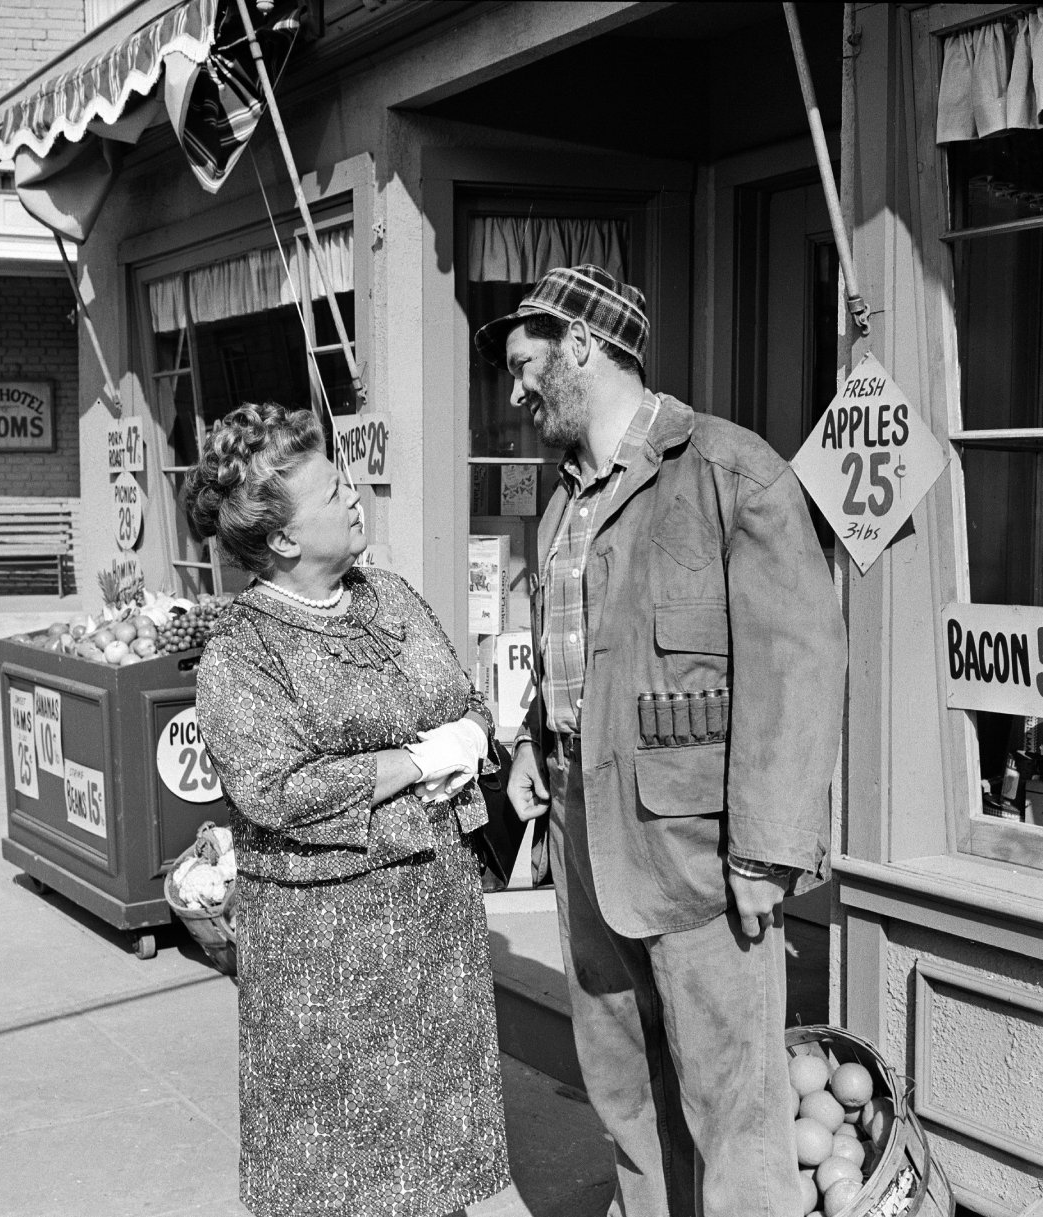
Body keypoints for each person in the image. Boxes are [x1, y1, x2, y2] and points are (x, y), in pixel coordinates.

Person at [474, 264, 848, 1217]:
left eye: (527, 364)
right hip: (583, 830)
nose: (514, 390)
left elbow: (795, 669)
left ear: (584, 347)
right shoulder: (564, 502)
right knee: (623, 1086)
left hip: (695, 855)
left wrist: (765, 851)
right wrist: (527, 741)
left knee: (733, 1106)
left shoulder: (728, 471)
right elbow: (578, 651)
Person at [187, 401, 529, 1217]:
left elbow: (465, 702)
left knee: (444, 1143)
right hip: (323, 940)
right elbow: (274, 788)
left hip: (433, 914)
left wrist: (467, 741)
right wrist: (413, 759)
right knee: (339, 1162)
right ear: (280, 538)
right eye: (331, 490)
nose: (351, 497)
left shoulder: (391, 598)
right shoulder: (241, 650)